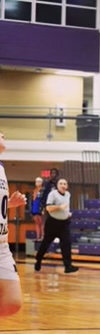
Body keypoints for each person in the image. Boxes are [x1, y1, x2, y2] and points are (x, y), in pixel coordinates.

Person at [0, 132, 24, 317]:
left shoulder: (1, 168)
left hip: (2, 245)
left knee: (12, 302)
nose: (3, 134)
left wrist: (10, 205)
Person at [34, 178, 79, 274]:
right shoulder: (52, 194)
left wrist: (67, 213)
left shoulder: (68, 194)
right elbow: (48, 208)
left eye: (65, 183)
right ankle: (38, 260)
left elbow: (66, 207)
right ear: (57, 186)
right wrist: (59, 207)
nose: (63, 185)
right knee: (46, 243)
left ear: (67, 186)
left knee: (66, 244)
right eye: (61, 183)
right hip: (52, 223)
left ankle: (68, 266)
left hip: (64, 223)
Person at [31, 176, 44, 241]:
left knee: (41, 222)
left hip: (40, 207)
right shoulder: (35, 190)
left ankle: (42, 236)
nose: (38, 183)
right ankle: (38, 236)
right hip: (35, 207)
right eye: (37, 181)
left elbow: (44, 199)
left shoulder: (43, 190)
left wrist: (43, 208)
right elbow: (33, 199)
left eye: (39, 181)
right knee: (36, 222)